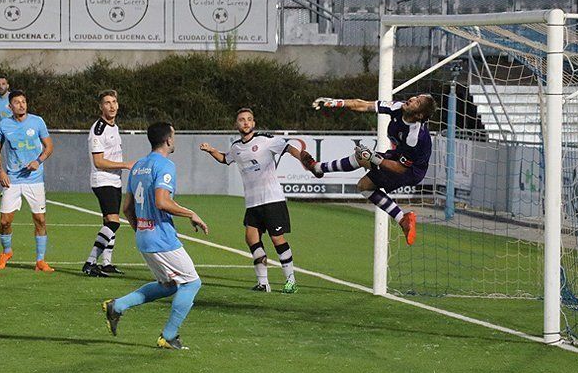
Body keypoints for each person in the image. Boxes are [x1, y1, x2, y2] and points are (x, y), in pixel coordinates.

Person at [103, 122, 208, 350]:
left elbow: (127, 208)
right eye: (174, 135)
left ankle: (117, 306)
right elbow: (162, 202)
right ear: (168, 140)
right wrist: (191, 213)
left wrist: (141, 228)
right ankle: (169, 336)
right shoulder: (165, 166)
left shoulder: (139, 166)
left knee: (169, 285)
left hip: (144, 236)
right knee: (191, 283)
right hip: (161, 238)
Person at [300, 95, 437, 246]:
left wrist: (374, 158)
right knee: (363, 181)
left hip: (409, 171)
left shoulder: (415, 136)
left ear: (419, 115)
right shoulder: (398, 107)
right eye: (415, 97)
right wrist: (335, 103)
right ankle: (402, 219)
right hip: (398, 156)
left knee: (363, 177)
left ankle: (318, 168)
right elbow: (363, 105)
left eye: (417, 102)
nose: (412, 99)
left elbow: (399, 168)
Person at [200, 108, 301, 293]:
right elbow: (225, 159)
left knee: (277, 239)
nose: (246, 122)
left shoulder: (265, 140)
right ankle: (263, 283)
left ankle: (291, 281)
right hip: (253, 203)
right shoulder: (236, 147)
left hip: (272, 199)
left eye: (249, 119)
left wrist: (305, 159)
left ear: (253, 123)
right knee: (251, 238)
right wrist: (211, 151)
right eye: (242, 120)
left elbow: (288, 148)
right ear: (236, 124)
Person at [0, 90, 55, 272]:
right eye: (17, 102)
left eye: (23, 101)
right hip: (12, 180)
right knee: (5, 221)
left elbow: (49, 146)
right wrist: (1, 171)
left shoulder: (37, 122)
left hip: (35, 180)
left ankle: (40, 261)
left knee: (40, 219)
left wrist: (38, 161)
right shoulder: (4, 125)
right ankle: (6, 251)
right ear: (10, 106)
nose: (21, 105)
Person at [83, 90, 134, 277]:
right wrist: (125, 164)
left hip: (114, 179)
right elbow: (99, 161)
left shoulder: (114, 127)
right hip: (103, 180)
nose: (112, 106)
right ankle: (90, 262)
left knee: (108, 221)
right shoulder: (98, 129)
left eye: (114, 102)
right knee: (114, 222)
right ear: (100, 107)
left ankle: (106, 263)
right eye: (107, 102)